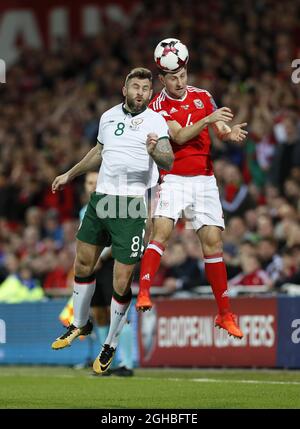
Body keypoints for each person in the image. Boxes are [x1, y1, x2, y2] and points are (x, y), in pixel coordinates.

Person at [51, 67, 174, 374]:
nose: (140, 92)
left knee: (122, 280)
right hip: (102, 200)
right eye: (135, 86)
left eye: (146, 88)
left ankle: (111, 344)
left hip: (131, 205)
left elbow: (168, 159)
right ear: (125, 89)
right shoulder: (107, 117)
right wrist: (70, 173)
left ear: (150, 93)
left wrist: (155, 151)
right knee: (82, 265)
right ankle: (79, 324)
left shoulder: (156, 121)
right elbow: (98, 152)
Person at [136, 41, 248, 339]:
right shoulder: (157, 106)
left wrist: (229, 132)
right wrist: (209, 119)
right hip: (173, 177)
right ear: (162, 79)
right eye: (172, 77)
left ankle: (225, 313)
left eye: (182, 75)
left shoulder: (203, 96)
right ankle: (144, 292)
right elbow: (180, 135)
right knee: (161, 230)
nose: (179, 81)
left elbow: (220, 130)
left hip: (205, 179)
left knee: (213, 243)